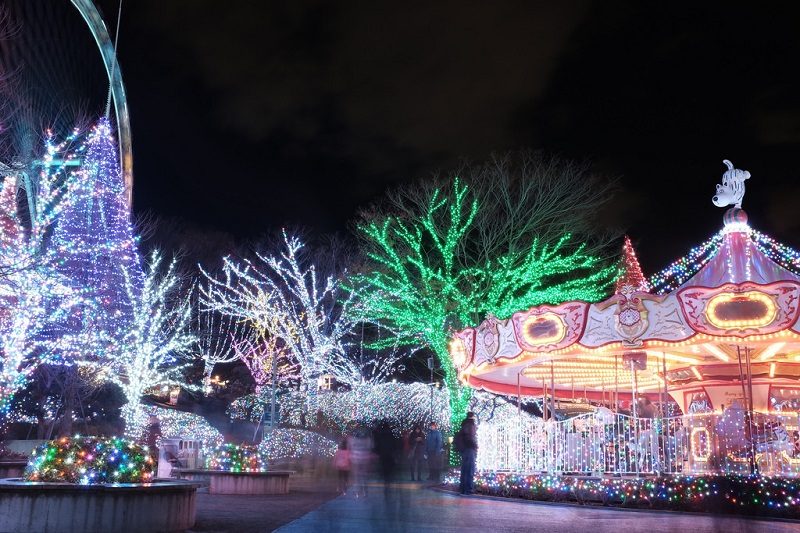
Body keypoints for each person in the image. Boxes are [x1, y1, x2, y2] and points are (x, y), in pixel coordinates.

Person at [458, 411, 478, 495]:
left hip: (464, 449)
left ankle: (462, 488)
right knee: (470, 469)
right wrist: (475, 446)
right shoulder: (470, 425)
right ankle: (469, 489)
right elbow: (471, 437)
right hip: (470, 449)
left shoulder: (464, 425)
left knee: (464, 469)